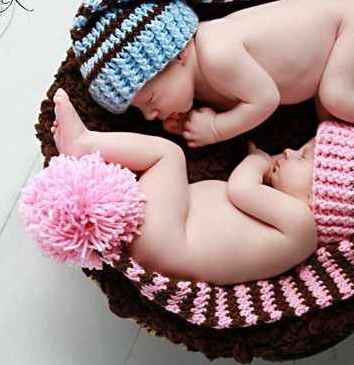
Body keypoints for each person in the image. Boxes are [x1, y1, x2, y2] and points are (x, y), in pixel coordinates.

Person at [82, 0, 354, 169]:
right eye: (141, 110)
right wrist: (185, 119)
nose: (149, 116)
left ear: (179, 55)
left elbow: (265, 99)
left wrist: (216, 128)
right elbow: (237, 100)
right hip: (330, 54)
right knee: (331, 124)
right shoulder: (199, 80)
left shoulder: (216, 52)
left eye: (150, 99)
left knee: (337, 97)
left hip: (350, 25)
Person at [51, 88, 318, 286]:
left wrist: (258, 160)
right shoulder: (296, 236)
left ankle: (85, 143)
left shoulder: (302, 221)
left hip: (167, 239)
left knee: (169, 155)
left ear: (318, 196)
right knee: (156, 170)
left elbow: (241, 189)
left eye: (303, 156)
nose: (289, 151)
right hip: (165, 246)